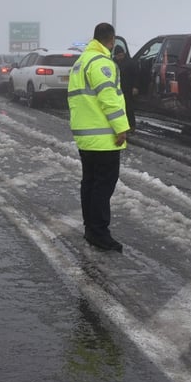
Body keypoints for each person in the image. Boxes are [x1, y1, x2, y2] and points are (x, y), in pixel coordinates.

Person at [68, 22, 131, 251]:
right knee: (103, 186)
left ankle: (90, 228)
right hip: (103, 137)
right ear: (111, 40)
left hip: (86, 136)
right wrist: (121, 127)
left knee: (90, 183)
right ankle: (99, 232)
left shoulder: (80, 63)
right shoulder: (102, 63)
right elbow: (108, 98)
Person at [112, 35, 137, 131]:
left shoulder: (130, 63)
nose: (120, 57)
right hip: (117, 89)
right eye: (118, 56)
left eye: (121, 55)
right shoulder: (113, 63)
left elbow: (135, 75)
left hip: (128, 88)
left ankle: (131, 126)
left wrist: (135, 87)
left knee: (129, 108)